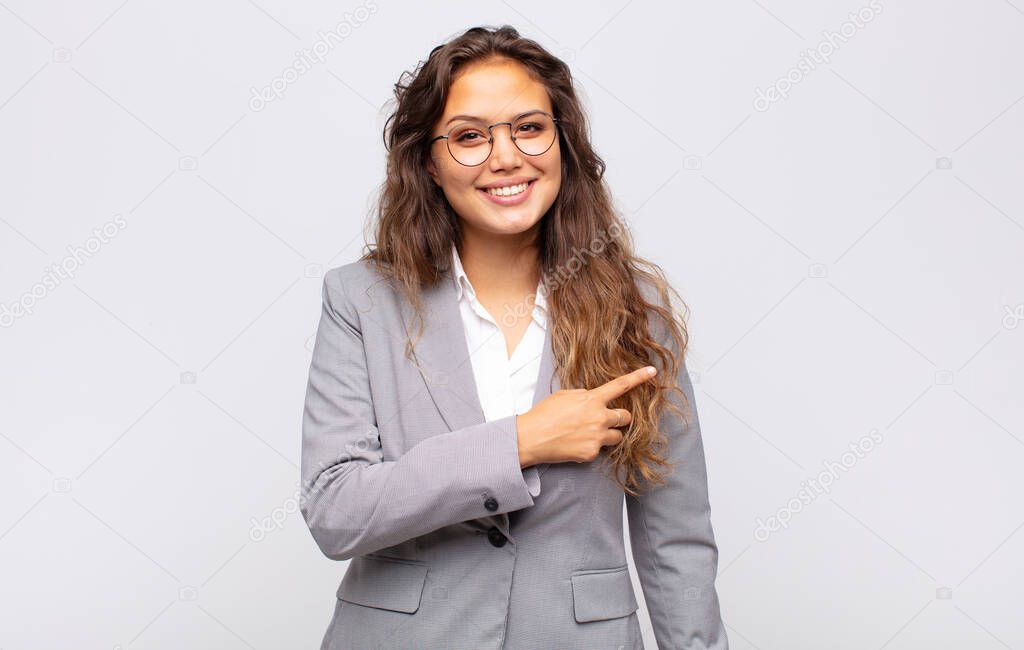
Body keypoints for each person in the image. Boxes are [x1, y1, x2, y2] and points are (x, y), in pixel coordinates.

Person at [300, 24, 729, 650]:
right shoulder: (361, 300)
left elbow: (677, 540)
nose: (506, 157)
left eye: (529, 127)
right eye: (469, 137)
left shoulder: (638, 310)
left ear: (563, 142)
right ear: (428, 159)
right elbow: (336, 511)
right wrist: (523, 441)